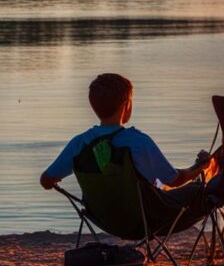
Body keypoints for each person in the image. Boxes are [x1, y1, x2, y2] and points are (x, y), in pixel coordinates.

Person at [39, 73, 212, 200]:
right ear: (125, 105)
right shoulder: (138, 141)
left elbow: (46, 181)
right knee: (202, 190)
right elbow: (175, 180)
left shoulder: (79, 143)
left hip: (102, 219)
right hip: (142, 220)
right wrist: (200, 166)